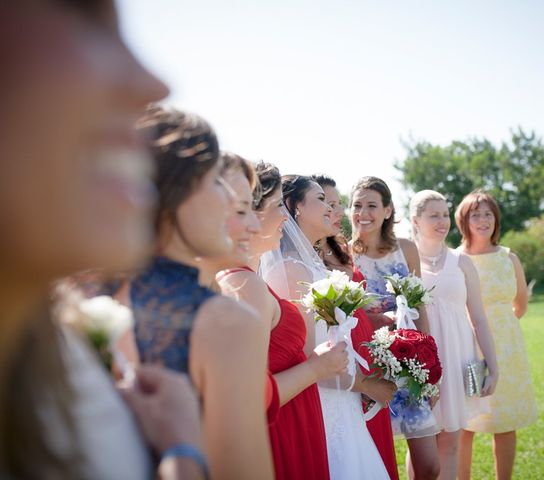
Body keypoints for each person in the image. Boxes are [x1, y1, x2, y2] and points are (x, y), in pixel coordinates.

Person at [0, 1, 207, 477]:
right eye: (80, 11)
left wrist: (177, 447)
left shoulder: (61, 358)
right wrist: (187, 452)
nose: (153, 83)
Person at [130, 105, 274, 479]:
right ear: (173, 191)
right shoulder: (228, 324)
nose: (227, 201)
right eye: (215, 183)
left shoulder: (76, 301)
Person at [216, 161, 348, 479]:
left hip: (299, 418)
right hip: (281, 429)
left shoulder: (252, 281)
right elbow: (250, 397)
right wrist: (318, 367)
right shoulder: (244, 286)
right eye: (277, 206)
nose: (284, 217)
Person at [261, 175, 390, 479]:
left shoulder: (318, 267)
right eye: (320, 199)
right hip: (321, 407)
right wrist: (367, 385)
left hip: (342, 401)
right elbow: (306, 358)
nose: (331, 207)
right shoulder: (289, 272)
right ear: (296, 208)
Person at [349, 176, 440, 480]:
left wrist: (429, 366)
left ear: (388, 210)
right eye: (357, 205)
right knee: (377, 461)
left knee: (430, 464)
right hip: (370, 368)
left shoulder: (405, 249)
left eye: (372, 205)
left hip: (409, 364)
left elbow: (420, 305)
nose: (363, 212)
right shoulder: (342, 255)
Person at [312, 174, 400, 480]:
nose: (337, 212)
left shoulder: (341, 250)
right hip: (345, 369)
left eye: (337, 204)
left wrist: (385, 321)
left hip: (369, 357)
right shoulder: (306, 261)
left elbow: (357, 311)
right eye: (327, 203)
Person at [409, 189, 499, 480]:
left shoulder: (461, 262)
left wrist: (492, 367)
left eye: (445, 214)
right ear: (415, 220)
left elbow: (480, 319)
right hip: (420, 365)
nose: (442, 221)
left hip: (459, 359)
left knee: (450, 442)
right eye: (433, 215)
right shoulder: (405, 261)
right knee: (421, 444)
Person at [455, 190, 537, 480]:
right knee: (464, 423)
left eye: (488, 213)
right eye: (475, 214)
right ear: (464, 220)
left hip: (506, 349)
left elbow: (521, 305)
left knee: (504, 422)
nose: (483, 219)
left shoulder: (508, 257)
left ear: (496, 219)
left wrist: (502, 332)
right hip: (466, 346)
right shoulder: (454, 259)